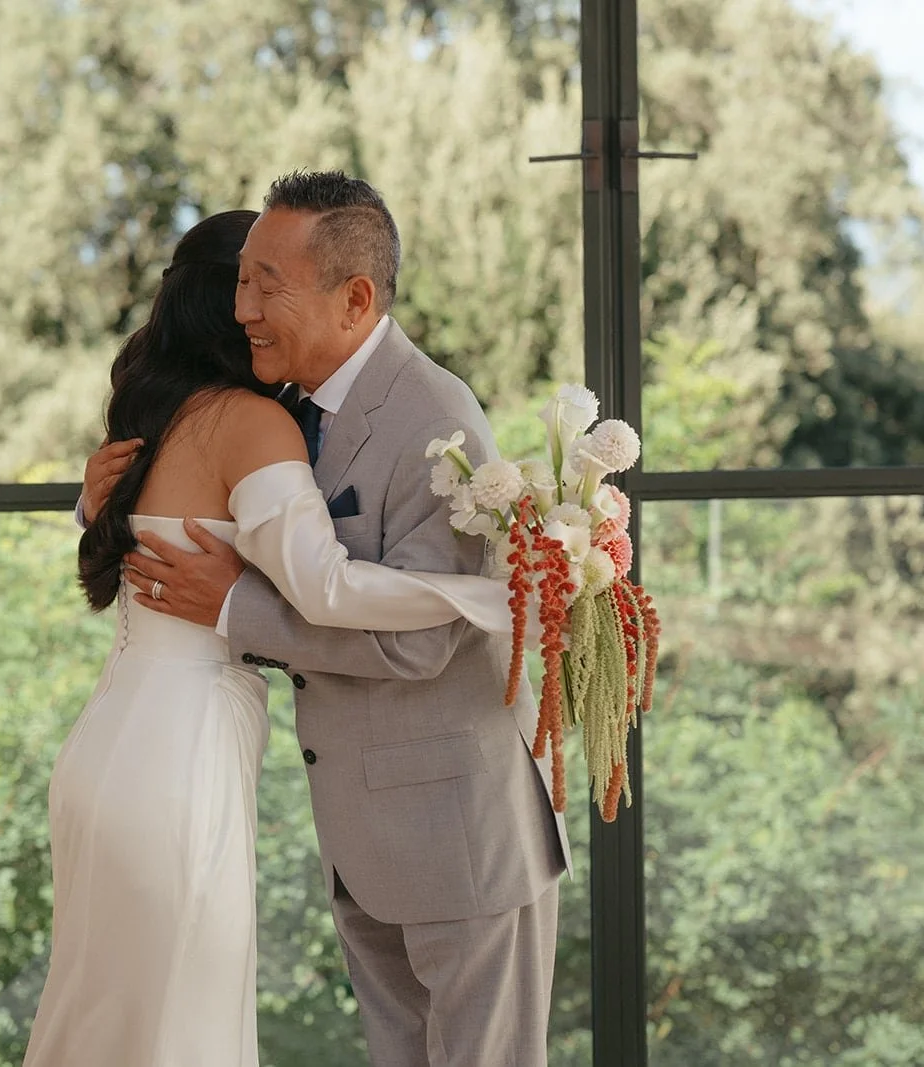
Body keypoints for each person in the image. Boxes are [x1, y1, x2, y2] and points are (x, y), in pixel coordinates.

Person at [76, 174, 570, 1067]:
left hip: (459, 835)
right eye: (240, 281)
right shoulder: (280, 406)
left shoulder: (435, 418)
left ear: (354, 297)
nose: (245, 308)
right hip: (366, 838)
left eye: (268, 283)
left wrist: (232, 607)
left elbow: (423, 639)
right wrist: (109, 511)